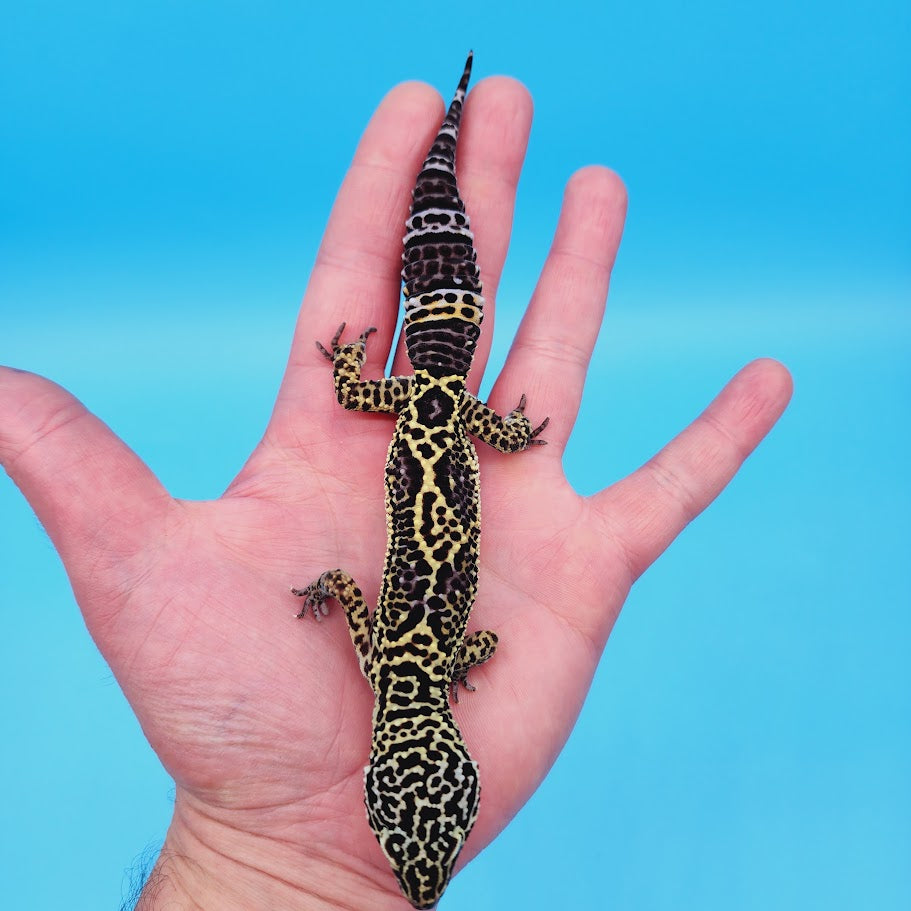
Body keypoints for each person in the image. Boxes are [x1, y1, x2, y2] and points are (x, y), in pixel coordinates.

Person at [0, 75, 791, 910]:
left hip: (447, 418)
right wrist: (324, 587)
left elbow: (449, 637)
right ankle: (441, 149)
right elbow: (344, 590)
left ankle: (444, 146)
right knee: (407, 323)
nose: (425, 879)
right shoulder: (383, 667)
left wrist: (469, 623)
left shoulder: (439, 665)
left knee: (433, 287)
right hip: (435, 410)